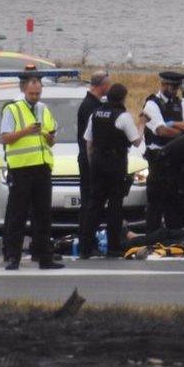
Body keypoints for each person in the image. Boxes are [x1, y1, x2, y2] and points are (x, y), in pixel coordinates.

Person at [0, 74, 63, 270]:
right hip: (21, 168)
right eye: (32, 93)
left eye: (38, 93)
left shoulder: (43, 109)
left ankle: (45, 257)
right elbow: (5, 138)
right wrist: (26, 131)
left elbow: (52, 138)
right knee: (17, 214)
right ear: (24, 90)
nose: (35, 96)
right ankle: (12, 257)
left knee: (43, 214)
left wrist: (48, 136)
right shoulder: (12, 109)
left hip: (42, 166)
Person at [79, 83, 142, 259]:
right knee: (115, 205)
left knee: (94, 205)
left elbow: (88, 141)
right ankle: (113, 247)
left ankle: (85, 247)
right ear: (123, 98)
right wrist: (142, 123)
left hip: (98, 161)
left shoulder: (96, 113)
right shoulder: (123, 116)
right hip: (115, 162)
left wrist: (93, 162)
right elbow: (136, 141)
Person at [143, 72, 184, 232]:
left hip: (176, 159)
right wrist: (182, 134)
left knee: (174, 203)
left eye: (177, 88)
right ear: (163, 85)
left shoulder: (179, 103)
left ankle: (173, 239)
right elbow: (161, 131)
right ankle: (152, 237)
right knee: (156, 203)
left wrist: (175, 124)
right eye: (173, 87)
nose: (175, 91)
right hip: (159, 159)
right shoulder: (152, 104)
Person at [76, 70, 110, 240]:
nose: (109, 87)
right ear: (102, 85)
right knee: (90, 201)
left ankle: (87, 237)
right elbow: (91, 138)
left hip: (89, 158)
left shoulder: (93, 103)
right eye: (108, 84)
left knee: (91, 200)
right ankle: (86, 238)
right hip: (89, 160)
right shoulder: (90, 106)